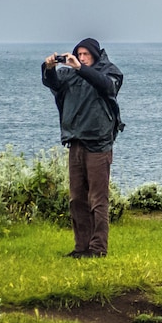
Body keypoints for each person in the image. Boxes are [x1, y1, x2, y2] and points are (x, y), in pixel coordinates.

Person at [41, 38, 124, 258]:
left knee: (98, 199)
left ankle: (98, 248)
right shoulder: (70, 74)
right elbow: (54, 84)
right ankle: (81, 247)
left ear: (95, 55)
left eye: (86, 54)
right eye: (79, 53)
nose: (82, 57)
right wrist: (49, 69)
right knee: (77, 198)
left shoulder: (110, 71)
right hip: (75, 141)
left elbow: (108, 86)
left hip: (99, 143)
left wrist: (81, 68)